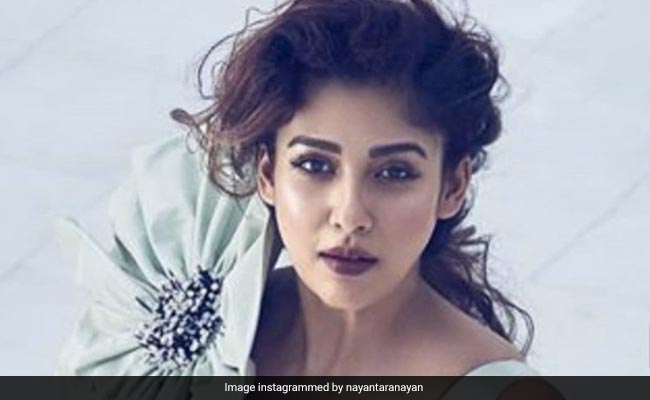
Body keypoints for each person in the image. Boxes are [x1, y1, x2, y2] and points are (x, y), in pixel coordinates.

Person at [55, 0, 537, 378]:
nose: (349, 215)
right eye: (314, 165)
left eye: (394, 173)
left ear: (452, 186)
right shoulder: (185, 334)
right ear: (267, 175)